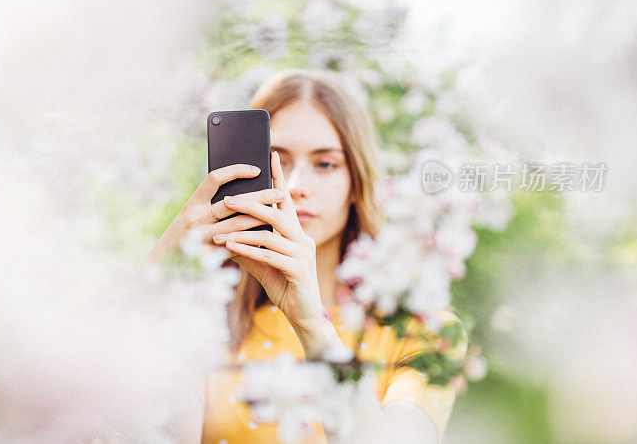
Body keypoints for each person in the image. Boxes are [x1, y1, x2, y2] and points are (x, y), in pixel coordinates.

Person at [141, 70, 468, 443]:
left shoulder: (422, 330)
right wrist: (161, 273)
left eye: (325, 164)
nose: (295, 187)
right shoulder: (208, 314)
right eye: (276, 162)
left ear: (355, 183)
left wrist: (311, 324)